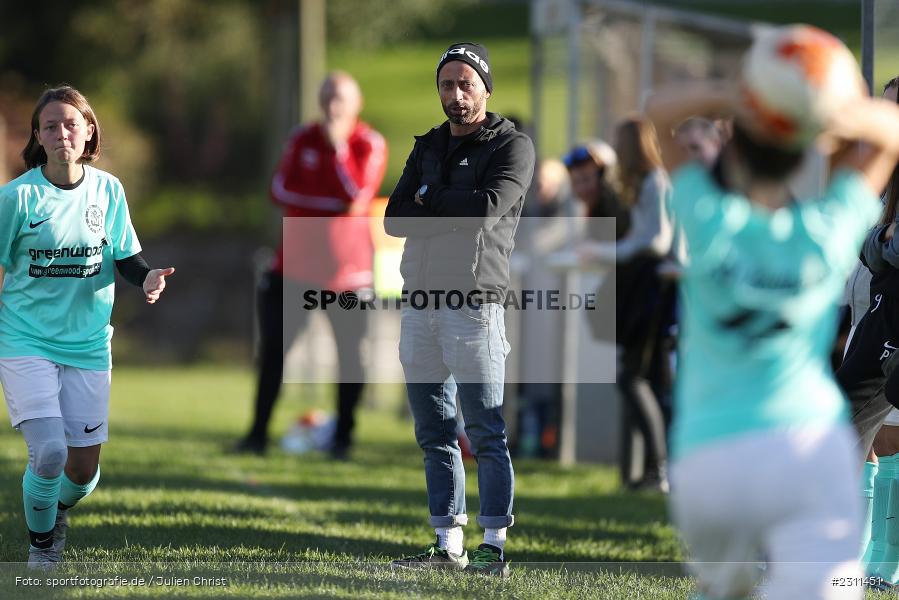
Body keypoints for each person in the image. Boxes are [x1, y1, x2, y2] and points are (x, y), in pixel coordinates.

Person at [646, 25, 899, 599]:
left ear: (732, 156)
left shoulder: (708, 221)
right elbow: (889, 131)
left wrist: (749, 92)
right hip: (805, 447)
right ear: (803, 157)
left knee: (725, 588)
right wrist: (820, 105)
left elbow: (659, 110)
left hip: (709, 458)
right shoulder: (824, 233)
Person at [0, 85, 174, 567]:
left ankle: (52, 511)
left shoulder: (108, 190)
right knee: (50, 452)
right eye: (50, 125)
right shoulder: (16, 198)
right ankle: (42, 551)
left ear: (89, 130)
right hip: (25, 340)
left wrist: (148, 278)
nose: (61, 133)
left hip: (89, 345)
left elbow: (125, 256)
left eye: (71, 123)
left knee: (82, 473)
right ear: (38, 135)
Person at [383, 42, 535, 576]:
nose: (456, 94)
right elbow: (394, 218)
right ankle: (448, 543)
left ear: (486, 87)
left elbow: (487, 210)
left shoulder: (512, 146)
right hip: (419, 305)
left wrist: (430, 198)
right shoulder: (426, 145)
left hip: (474, 306)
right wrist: (437, 201)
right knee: (435, 432)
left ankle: (494, 544)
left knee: (486, 431)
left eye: (466, 83)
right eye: (447, 84)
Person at [234, 72, 387, 459]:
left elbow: (356, 197)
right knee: (273, 353)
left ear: (358, 103)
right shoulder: (302, 137)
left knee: (351, 359)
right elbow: (279, 189)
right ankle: (256, 435)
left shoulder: (367, 143)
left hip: (348, 277)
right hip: (293, 271)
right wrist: (329, 203)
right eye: (327, 97)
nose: (332, 106)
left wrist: (337, 150)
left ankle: (343, 440)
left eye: (340, 99)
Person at [578, 116, 676, 492]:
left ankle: (659, 469)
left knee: (634, 377)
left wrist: (606, 249)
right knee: (645, 378)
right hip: (644, 282)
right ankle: (655, 469)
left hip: (653, 285)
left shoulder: (654, 181)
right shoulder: (640, 184)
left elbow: (656, 240)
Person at [839, 75, 899, 587]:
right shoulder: (878, 173)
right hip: (875, 311)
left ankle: (876, 562)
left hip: (892, 320)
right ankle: (860, 563)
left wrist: (880, 241)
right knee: (863, 433)